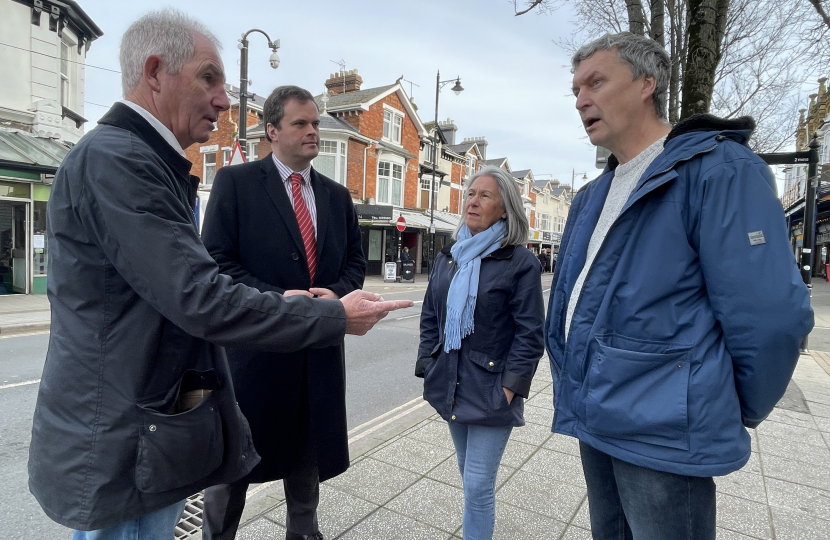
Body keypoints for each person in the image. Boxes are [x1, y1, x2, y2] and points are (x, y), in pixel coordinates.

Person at [27, 10, 411, 539]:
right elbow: (202, 291)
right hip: (125, 436)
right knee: (223, 496)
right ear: (156, 71)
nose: (226, 100)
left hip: (145, 429)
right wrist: (326, 314)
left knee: (303, 477)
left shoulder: (147, 162)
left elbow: (191, 288)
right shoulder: (121, 162)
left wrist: (335, 296)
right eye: (209, 78)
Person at [545, 32, 813, 540]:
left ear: (647, 83)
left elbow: (772, 316)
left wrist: (730, 404)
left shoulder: (719, 170)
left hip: (664, 430)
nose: (581, 99)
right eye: (576, 89)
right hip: (593, 414)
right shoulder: (591, 196)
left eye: (596, 82)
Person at [200, 85, 366, 540]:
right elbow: (219, 263)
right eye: (301, 123)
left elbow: (355, 262)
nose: (313, 131)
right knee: (232, 471)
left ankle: (304, 534)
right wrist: (282, 302)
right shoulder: (236, 184)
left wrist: (334, 296)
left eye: (315, 123)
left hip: (317, 356)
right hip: (255, 356)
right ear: (272, 130)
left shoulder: (335, 195)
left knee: (306, 468)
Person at [417, 166, 544, 540]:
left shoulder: (520, 263)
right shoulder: (450, 256)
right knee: (465, 471)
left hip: (491, 389)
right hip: (451, 382)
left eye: (485, 195)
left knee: (476, 485)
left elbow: (531, 333)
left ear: (505, 208)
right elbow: (430, 315)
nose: (473, 200)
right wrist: (428, 364)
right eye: (471, 193)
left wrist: (510, 388)